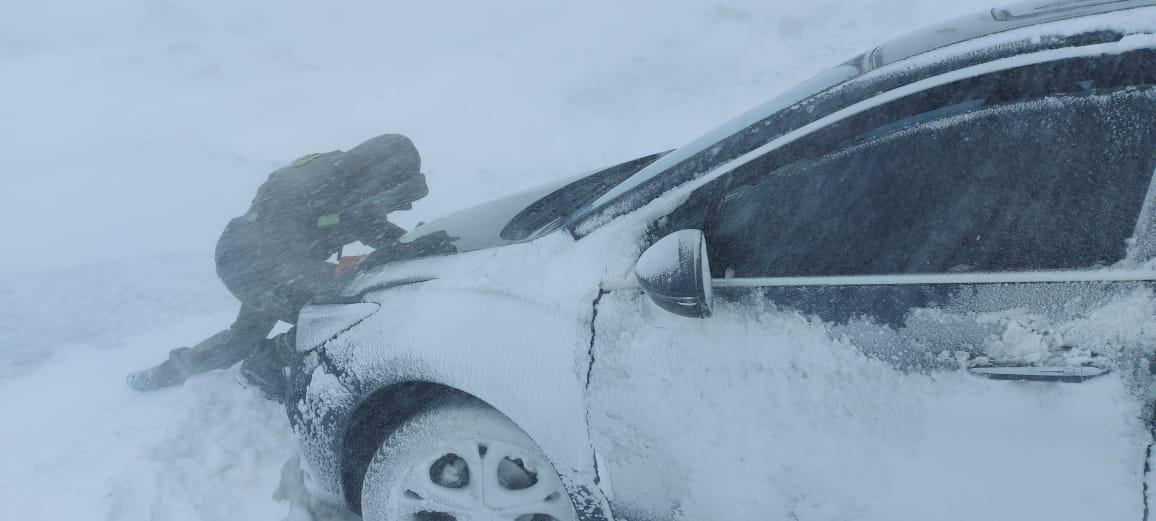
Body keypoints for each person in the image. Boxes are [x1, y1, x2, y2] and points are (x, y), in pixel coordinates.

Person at [128, 134, 443, 400]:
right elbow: (279, 259)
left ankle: (164, 375)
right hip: (247, 265)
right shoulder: (301, 187)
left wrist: (414, 244)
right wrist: (335, 273)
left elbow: (368, 225)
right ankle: (262, 364)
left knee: (243, 337)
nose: (384, 198)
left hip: (276, 265)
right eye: (387, 188)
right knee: (332, 319)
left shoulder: (348, 186)